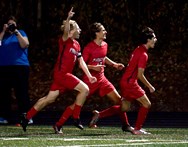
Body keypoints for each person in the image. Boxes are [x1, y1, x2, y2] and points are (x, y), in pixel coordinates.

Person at [20, 7, 97, 133]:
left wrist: (89, 76)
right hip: (62, 74)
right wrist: (68, 18)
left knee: (49, 99)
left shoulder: (77, 45)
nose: (80, 30)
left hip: (62, 76)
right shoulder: (65, 40)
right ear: (72, 31)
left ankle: (27, 117)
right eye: (78, 28)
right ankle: (76, 117)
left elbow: (81, 61)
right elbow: (66, 31)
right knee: (85, 90)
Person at [80, 22, 133, 132]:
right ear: (96, 33)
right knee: (77, 103)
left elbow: (103, 57)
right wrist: (93, 67)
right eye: (103, 30)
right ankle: (60, 123)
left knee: (120, 102)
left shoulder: (105, 45)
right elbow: (82, 64)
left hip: (102, 79)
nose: (106, 32)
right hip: (90, 80)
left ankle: (125, 125)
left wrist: (114, 64)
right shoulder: (88, 47)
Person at [120, 27, 157, 135]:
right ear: (148, 39)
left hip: (125, 81)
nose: (156, 39)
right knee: (146, 104)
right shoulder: (144, 54)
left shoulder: (138, 49)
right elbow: (140, 75)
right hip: (130, 83)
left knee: (124, 107)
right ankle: (137, 129)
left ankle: (100, 114)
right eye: (154, 37)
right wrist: (150, 86)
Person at [0, 16, 31, 125]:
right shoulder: (3, 36)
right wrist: (3, 31)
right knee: (4, 93)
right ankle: (4, 116)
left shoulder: (21, 32)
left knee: (21, 92)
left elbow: (25, 44)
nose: (10, 26)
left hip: (20, 67)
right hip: (4, 67)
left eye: (12, 24)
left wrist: (16, 32)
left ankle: (26, 116)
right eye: (9, 24)